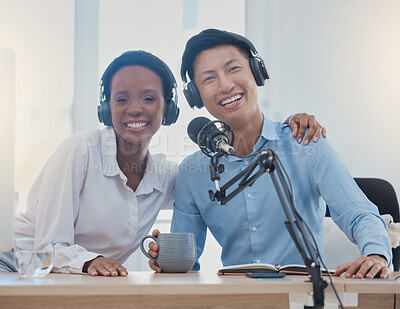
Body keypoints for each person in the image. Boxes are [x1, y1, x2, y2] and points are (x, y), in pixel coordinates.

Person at [0, 50, 323, 276]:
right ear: (106, 108)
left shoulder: (168, 175)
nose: (135, 108)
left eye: (149, 98)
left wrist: (288, 127)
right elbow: (47, 245)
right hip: (16, 266)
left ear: (168, 109)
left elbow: (213, 196)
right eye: (121, 99)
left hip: (80, 279)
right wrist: (90, 261)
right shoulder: (79, 151)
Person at [148, 29, 392, 279]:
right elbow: (183, 265)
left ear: (257, 71)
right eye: (209, 79)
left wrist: (376, 254)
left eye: (233, 69)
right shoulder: (194, 173)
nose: (225, 85)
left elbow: (358, 212)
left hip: (303, 296)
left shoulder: (305, 143)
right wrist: (165, 261)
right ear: (196, 96)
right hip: (235, 298)